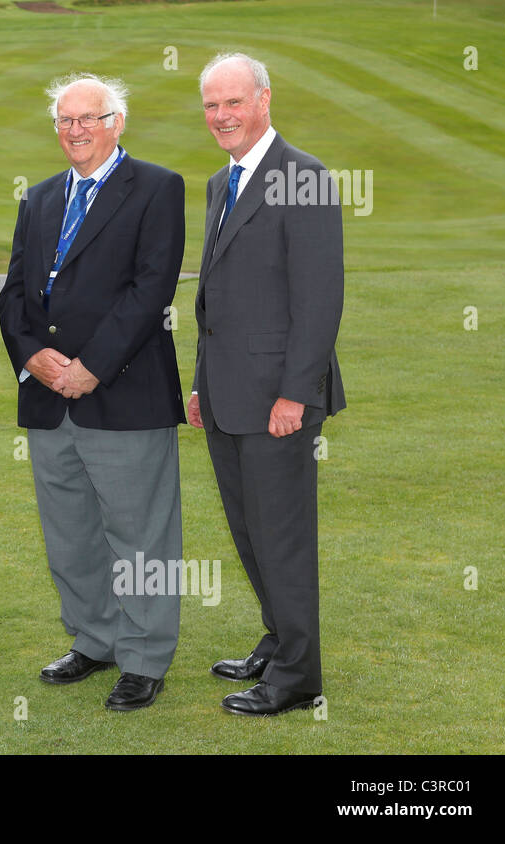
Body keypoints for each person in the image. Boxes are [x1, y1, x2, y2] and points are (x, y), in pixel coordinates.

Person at [0, 73, 186, 711]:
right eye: (65, 120)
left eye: (89, 118)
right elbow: (15, 293)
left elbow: (150, 290)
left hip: (123, 396)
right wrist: (33, 357)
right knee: (71, 535)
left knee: (140, 536)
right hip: (50, 399)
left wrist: (92, 367)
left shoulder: (157, 188)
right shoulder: (41, 197)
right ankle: (95, 639)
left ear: (117, 122)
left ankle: (144, 656)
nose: (75, 130)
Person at [189, 52, 344, 716]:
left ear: (264, 100)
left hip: (277, 398)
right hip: (225, 394)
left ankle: (298, 675)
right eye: (211, 106)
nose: (221, 116)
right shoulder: (220, 183)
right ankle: (280, 639)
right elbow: (214, 299)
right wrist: (198, 385)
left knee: (280, 536)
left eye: (233, 102)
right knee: (250, 531)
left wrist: (295, 394)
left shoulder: (303, 177)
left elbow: (320, 299)